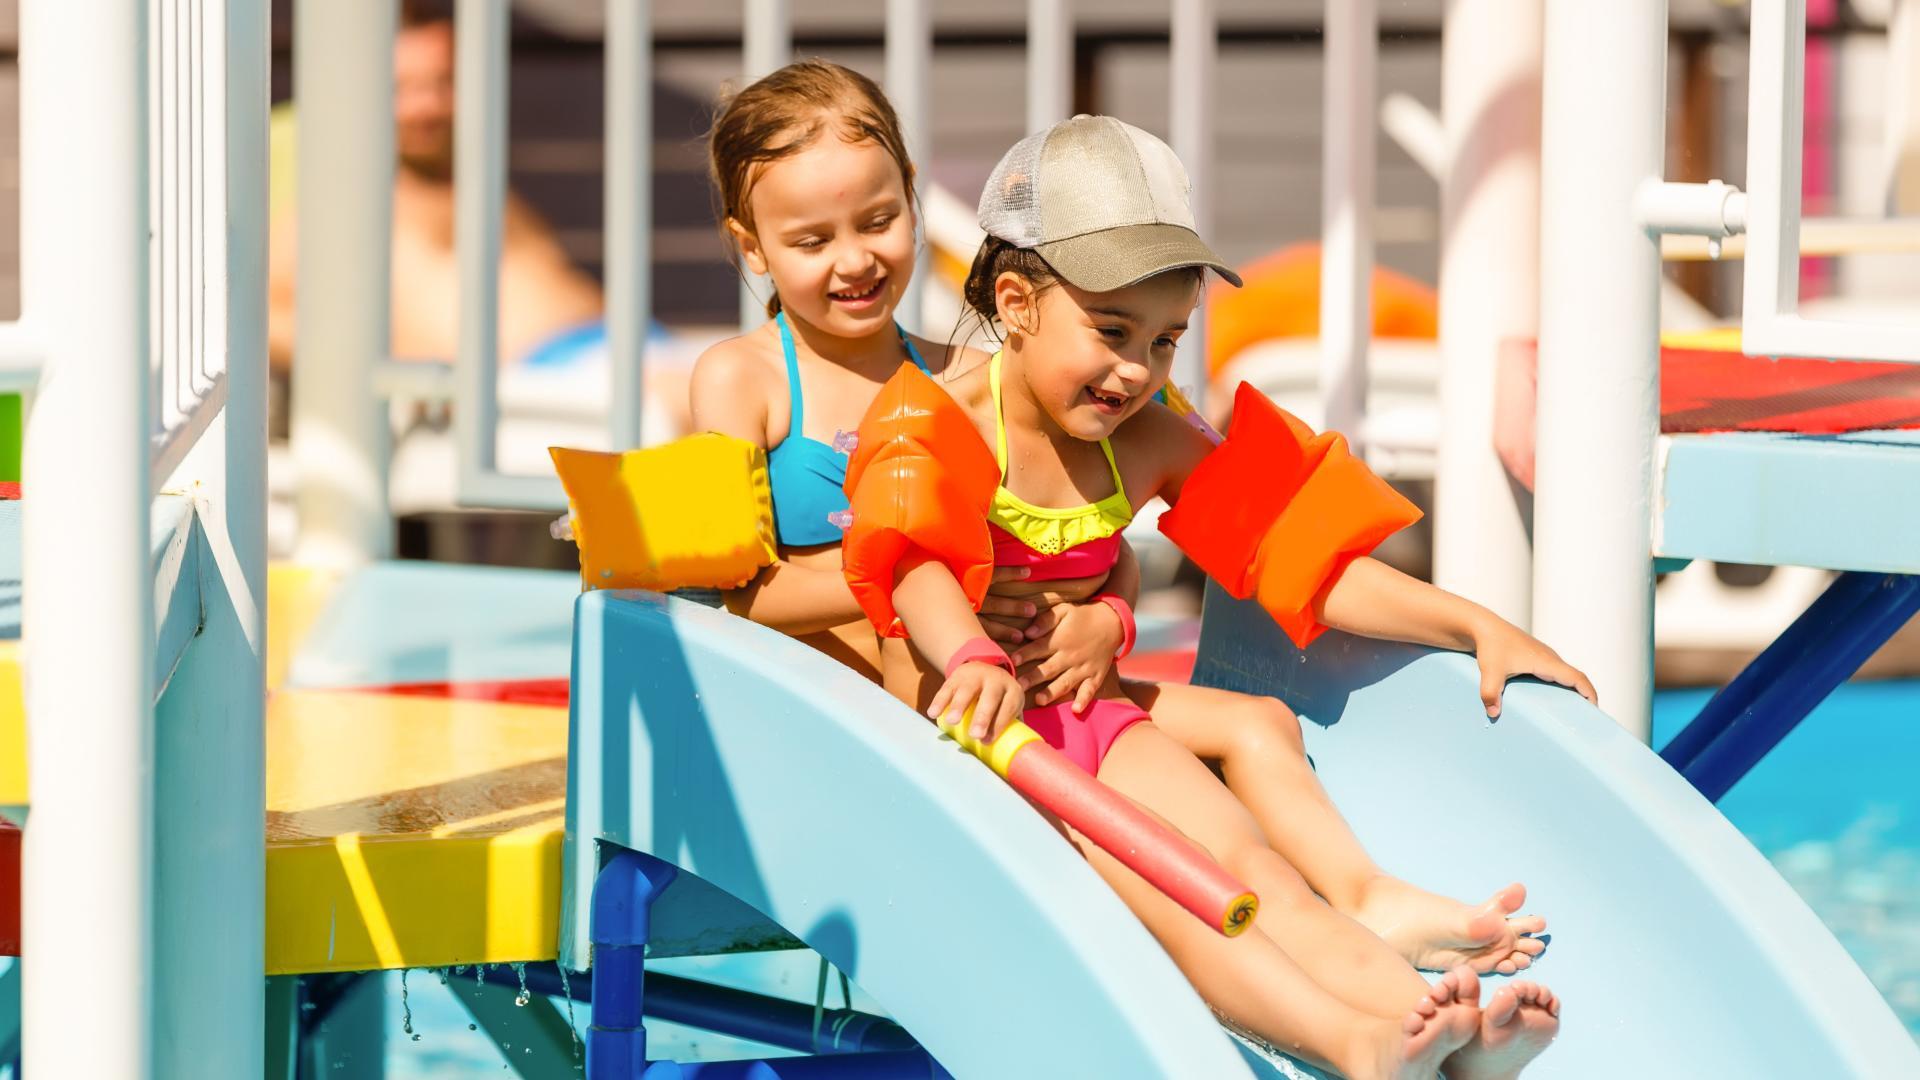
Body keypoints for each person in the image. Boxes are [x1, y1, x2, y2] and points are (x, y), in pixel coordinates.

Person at [846, 115, 1574, 1078]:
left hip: (1079, 717)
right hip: (968, 741)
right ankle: (1353, 1042)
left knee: (1263, 873)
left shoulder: (1149, 430)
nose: (1136, 370)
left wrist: (1472, 621)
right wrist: (974, 654)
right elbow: (910, 562)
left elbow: (1300, 552)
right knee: (1177, 889)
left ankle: (1441, 1034)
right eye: (1111, 332)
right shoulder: (929, 418)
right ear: (1015, 301)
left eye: (1165, 339)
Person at [687, 60, 1129, 680]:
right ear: (753, 246)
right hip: (821, 710)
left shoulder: (969, 376)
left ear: (911, 196)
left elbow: (1090, 529)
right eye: (812, 242)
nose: (855, 259)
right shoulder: (742, 379)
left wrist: (1109, 617)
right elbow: (741, 593)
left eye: (878, 221)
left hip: (977, 699)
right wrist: (922, 587)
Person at [267, 1, 688, 438]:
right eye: (402, 89)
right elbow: (263, 316)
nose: (426, 105)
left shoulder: (475, 185)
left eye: (444, 84)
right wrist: (389, 363)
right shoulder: (348, 203)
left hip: (624, 348)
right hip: (535, 380)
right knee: (716, 408)